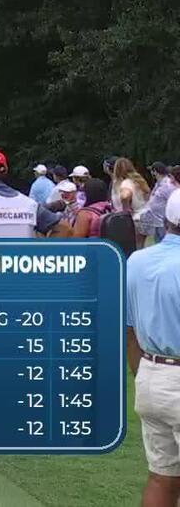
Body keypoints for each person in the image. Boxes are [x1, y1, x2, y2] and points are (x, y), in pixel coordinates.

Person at [125, 195, 180, 505]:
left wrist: (142, 375)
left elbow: (129, 330)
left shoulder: (137, 260)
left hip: (151, 375)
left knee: (162, 476)